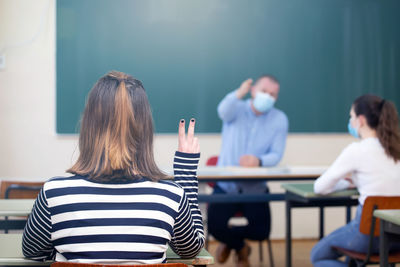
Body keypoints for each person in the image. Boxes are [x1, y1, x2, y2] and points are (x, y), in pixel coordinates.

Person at [22, 71, 205, 264]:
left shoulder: (54, 195)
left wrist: (66, 258)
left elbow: (33, 252)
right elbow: (191, 249)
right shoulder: (170, 197)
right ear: (145, 130)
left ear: (89, 127)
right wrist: (185, 174)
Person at [207, 75, 289, 267]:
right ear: (253, 90)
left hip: (255, 188)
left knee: (261, 231)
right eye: (264, 91)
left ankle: (231, 243)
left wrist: (258, 161)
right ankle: (241, 248)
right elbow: (222, 111)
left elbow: (276, 154)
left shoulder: (279, 119)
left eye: (273, 94)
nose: (268, 97)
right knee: (214, 226)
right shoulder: (236, 108)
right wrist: (238, 94)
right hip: (227, 186)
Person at [311, 94, 400, 267]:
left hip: (367, 237)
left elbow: (319, 187)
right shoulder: (397, 149)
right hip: (397, 237)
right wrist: (358, 182)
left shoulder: (357, 150)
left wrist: (344, 183)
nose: (350, 121)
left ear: (360, 120)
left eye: (351, 116)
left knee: (318, 256)